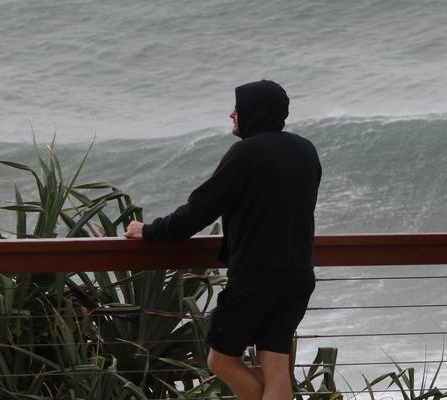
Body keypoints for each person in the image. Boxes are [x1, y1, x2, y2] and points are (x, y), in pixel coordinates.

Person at [124, 80, 322, 400]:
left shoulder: (246, 153)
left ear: (253, 112)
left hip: (256, 278)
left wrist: (148, 231)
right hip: (298, 276)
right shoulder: (305, 149)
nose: (232, 114)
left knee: (221, 360)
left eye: (238, 108)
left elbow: (199, 211)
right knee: (273, 363)